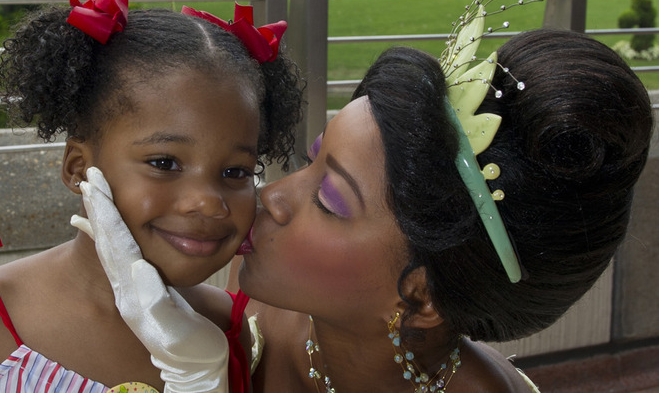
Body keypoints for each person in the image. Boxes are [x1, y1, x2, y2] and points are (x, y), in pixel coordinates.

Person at [0, 0, 302, 393]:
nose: (208, 202)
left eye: (236, 172)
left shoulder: (224, 329)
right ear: (79, 168)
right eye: (164, 162)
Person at [230, 26, 653, 391]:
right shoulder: (238, 298)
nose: (271, 194)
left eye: (327, 201)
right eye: (310, 159)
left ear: (421, 297)